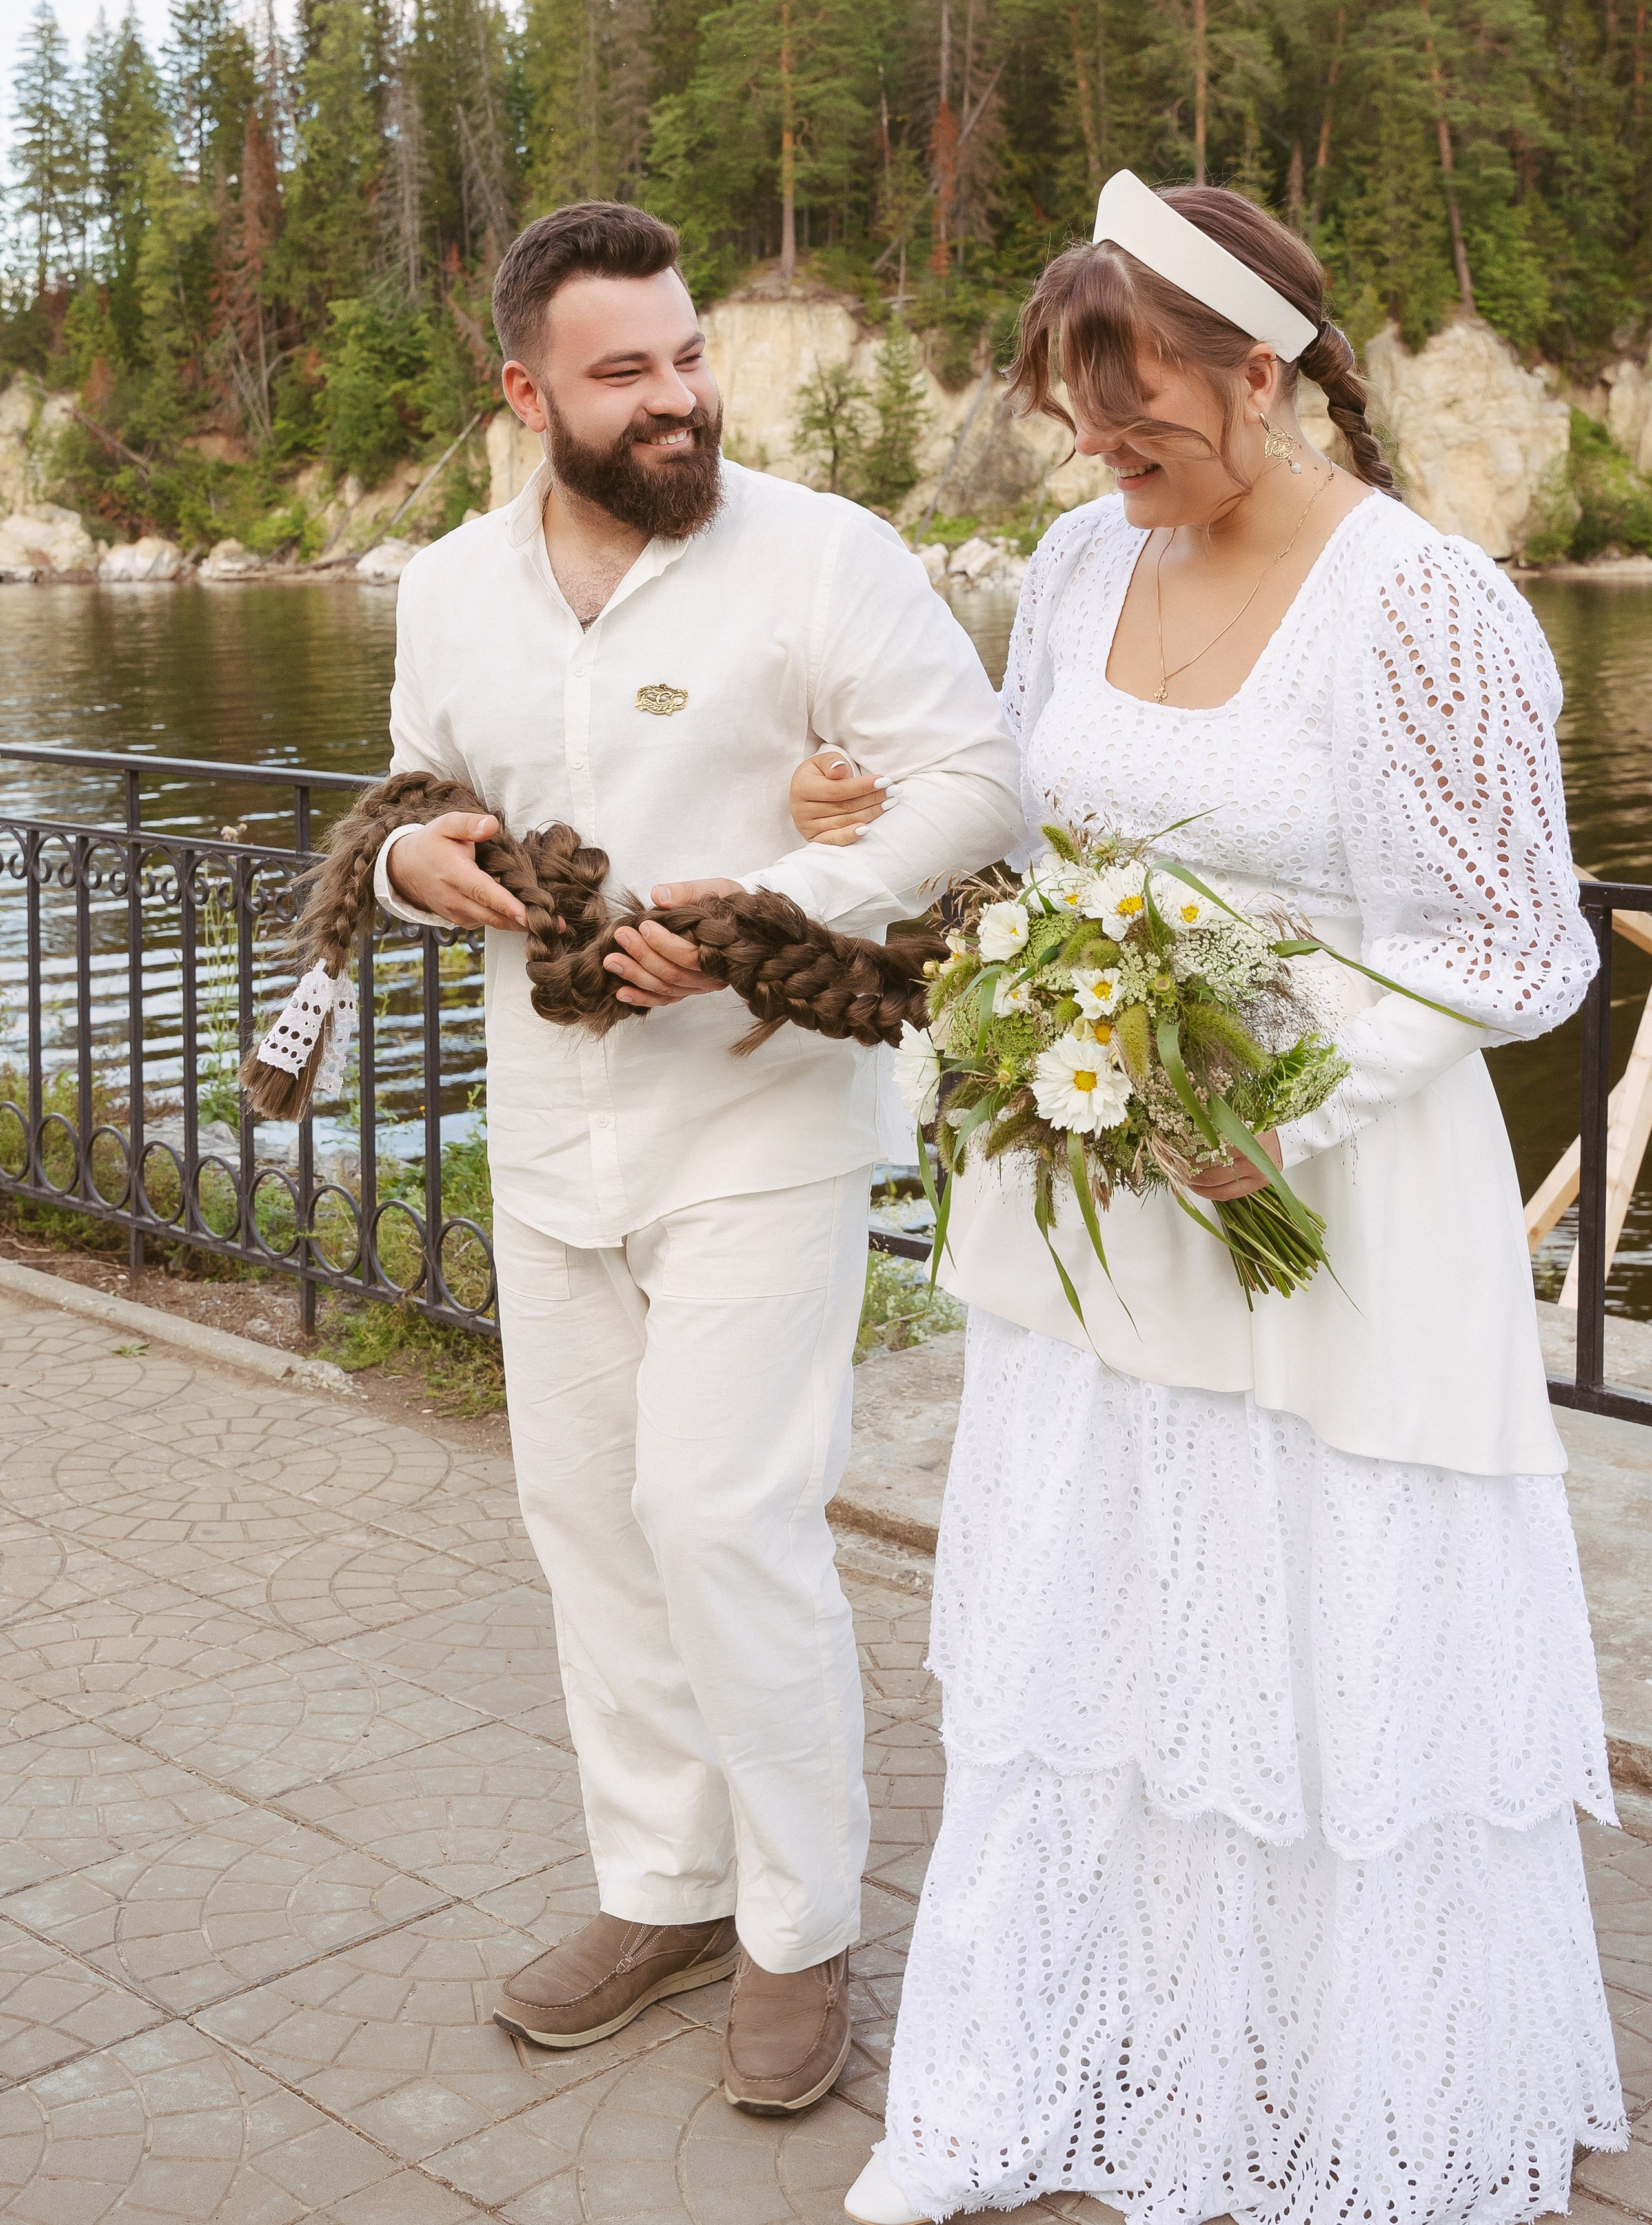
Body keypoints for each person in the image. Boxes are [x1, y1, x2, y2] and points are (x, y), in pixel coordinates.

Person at [791, 175, 1626, 2223]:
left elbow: (1525, 944)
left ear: (1266, 369)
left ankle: (1357, 2099)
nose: (1107, 455)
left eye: (1141, 413)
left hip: (1323, 1204)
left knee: (1321, 1622)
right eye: (1084, 419)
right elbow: (1039, 800)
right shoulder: (1083, 558)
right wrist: (878, 818)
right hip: (1112, 1197)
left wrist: (1267, 1097)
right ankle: (1043, 2076)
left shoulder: (1422, 601)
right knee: (1104, 1625)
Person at [372, 200, 1022, 2116]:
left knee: (727, 1524)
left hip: (760, 1125)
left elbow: (980, 772)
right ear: (525, 392)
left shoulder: (827, 556)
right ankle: (658, 1887)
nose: (678, 399)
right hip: (547, 1134)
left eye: (689, 355)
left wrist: (784, 901)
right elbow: (416, 798)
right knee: (587, 1524)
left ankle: (801, 1927)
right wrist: (424, 869)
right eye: (626, 371)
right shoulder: (445, 590)